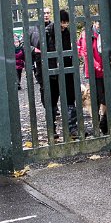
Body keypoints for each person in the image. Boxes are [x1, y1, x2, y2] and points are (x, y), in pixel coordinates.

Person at [44, 9, 78, 139]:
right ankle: (51, 130)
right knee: (52, 100)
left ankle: (72, 128)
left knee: (70, 98)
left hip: (67, 69)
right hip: (52, 70)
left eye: (66, 22)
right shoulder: (48, 32)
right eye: (63, 22)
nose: (65, 25)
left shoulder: (67, 32)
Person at [78, 19, 107, 133]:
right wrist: (97, 65)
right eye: (98, 23)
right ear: (94, 22)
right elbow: (86, 53)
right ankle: (97, 124)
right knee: (97, 98)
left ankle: (104, 122)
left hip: (106, 70)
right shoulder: (87, 34)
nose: (100, 25)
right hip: (94, 71)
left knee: (106, 97)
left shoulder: (105, 32)